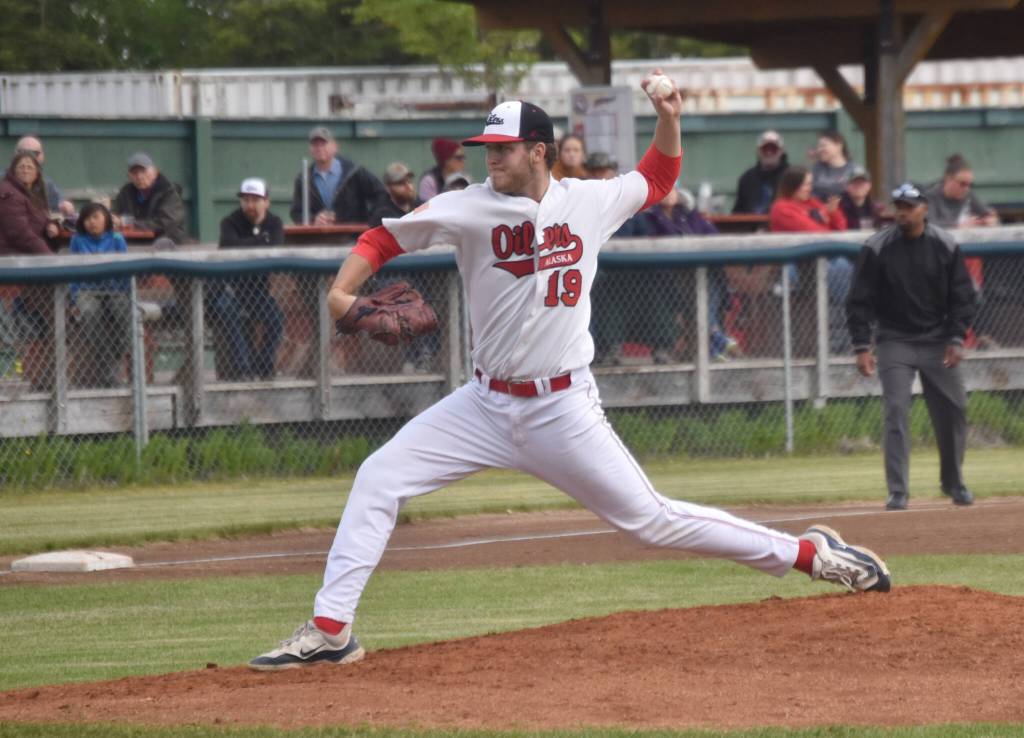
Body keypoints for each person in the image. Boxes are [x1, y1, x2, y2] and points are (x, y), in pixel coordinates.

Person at [248, 77, 891, 671]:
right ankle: (331, 628)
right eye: (486, 148)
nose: (490, 158)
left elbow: (659, 176)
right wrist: (341, 291)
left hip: (562, 408)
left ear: (539, 151)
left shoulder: (589, 201)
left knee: (651, 519)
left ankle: (810, 554)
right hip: (482, 406)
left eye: (502, 148)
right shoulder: (466, 207)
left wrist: (667, 117)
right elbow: (381, 238)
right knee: (379, 476)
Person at [846, 183, 977, 511]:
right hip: (895, 339)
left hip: (937, 339)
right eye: (898, 206)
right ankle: (898, 490)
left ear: (925, 209)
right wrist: (862, 345)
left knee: (954, 408)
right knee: (895, 409)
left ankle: (953, 481)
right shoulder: (877, 247)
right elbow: (858, 300)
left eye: (909, 206)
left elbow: (963, 296)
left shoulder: (944, 245)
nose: (902, 212)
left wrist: (956, 337)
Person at [642, 188, 738, 362]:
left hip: (695, 269)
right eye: (663, 189)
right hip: (666, 274)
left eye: (672, 189)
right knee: (699, 283)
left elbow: (712, 235)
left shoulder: (688, 213)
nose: (668, 193)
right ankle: (715, 335)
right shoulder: (649, 216)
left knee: (711, 275)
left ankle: (712, 343)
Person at [770, 166, 851, 354]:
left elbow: (841, 228)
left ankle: (847, 329)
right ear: (793, 186)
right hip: (794, 265)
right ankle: (847, 321)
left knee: (847, 266)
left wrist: (833, 213)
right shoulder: (781, 208)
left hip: (824, 260)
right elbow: (812, 232)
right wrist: (825, 219)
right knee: (842, 267)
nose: (809, 188)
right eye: (806, 184)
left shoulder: (813, 203)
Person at [210, 178, 284, 381]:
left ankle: (264, 368)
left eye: (255, 200)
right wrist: (261, 241)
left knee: (276, 319)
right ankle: (243, 370)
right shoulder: (230, 221)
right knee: (227, 311)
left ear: (266, 202)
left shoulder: (275, 222)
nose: (250, 205)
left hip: (259, 291)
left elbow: (276, 245)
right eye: (246, 200)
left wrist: (246, 244)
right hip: (230, 289)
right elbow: (228, 246)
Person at [0, 153, 61, 390]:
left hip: (31, 265)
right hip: (17, 268)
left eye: (30, 166)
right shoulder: (8, 193)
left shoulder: (30, 194)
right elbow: (20, 233)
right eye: (21, 166)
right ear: (13, 171)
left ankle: (47, 379)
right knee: (38, 322)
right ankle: (39, 380)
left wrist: (49, 225)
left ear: (37, 172)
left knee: (47, 321)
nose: (26, 169)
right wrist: (50, 259)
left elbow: (35, 221)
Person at [68, 202, 130, 388]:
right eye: (87, 218)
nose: (91, 222)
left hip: (116, 290)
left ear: (106, 219)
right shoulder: (77, 240)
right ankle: (108, 370)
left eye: (96, 217)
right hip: (87, 291)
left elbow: (127, 270)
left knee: (123, 311)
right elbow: (72, 272)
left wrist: (126, 292)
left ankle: (115, 357)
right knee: (89, 313)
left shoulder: (117, 239)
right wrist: (74, 298)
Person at [290, 126, 387, 225]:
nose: (319, 148)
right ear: (310, 149)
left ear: (334, 147)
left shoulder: (355, 172)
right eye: (315, 144)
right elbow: (296, 213)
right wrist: (314, 219)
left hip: (353, 236)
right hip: (319, 237)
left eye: (323, 144)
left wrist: (370, 220)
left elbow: (381, 194)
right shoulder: (303, 179)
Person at [111, 152, 188, 247]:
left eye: (143, 171)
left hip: (166, 243)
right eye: (134, 173)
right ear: (129, 176)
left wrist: (128, 223)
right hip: (133, 242)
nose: (139, 177)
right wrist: (110, 217)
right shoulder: (125, 192)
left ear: (155, 172)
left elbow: (165, 224)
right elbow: (115, 215)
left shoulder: (168, 192)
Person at [923, 154, 999, 230]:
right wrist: (958, 225)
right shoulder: (931, 196)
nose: (966, 189)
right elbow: (929, 223)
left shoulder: (968, 195)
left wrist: (989, 220)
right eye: (962, 184)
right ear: (948, 179)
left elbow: (988, 214)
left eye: (970, 185)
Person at [14, 135, 76, 218]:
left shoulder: (46, 184)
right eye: (23, 152)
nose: (28, 158)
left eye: (34, 153)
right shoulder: (3, 182)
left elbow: (60, 202)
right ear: (15, 156)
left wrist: (66, 205)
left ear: (42, 157)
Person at [732, 130, 789, 214]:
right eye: (765, 149)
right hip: (750, 225)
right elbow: (738, 211)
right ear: (758, 151)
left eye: (773, 149)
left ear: (781, 151)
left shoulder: (791, 176)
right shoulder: (747, 178)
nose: (769, 153)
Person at [369, 163, 422, 227]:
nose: (409, 187)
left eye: (409, 181)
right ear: (388, 188)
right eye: (401, 183)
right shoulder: (382, 216)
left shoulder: (420, 207)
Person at [811, 130, 856, 202]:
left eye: (823, 146)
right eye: (819, 147)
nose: (819, 149)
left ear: (839, 145)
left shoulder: (853, 170)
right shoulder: (816, 169)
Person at [417, 138, 467, 202]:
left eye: (463, 157)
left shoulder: (465, 178)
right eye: (459, 158)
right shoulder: (429, 180)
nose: (463, 161)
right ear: (446, 160)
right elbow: (429, 207)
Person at [839, 166, 884, 231]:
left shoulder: (876, 209)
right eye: (854, 182)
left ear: (869, 186)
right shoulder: (839, 209)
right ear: (846, 186)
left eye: (862, 183)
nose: (858, 186)